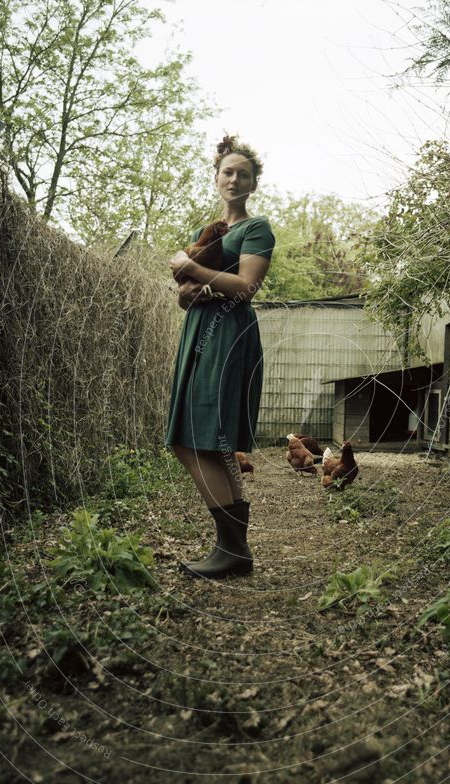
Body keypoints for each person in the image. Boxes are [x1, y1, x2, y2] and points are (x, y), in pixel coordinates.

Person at [165, 135, 275, 579]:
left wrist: (191, 270)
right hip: (198, 332)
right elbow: (185, 299)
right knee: (203, 440)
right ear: (216, 178)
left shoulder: (256, 228)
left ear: (253, 184)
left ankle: (232, 548)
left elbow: (247, 287)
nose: (235, 178)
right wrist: (194, 289)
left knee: (198, 438)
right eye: (228, 172)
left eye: (243, 174)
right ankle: (234, 550)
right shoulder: (204, 231)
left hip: (228, 332)